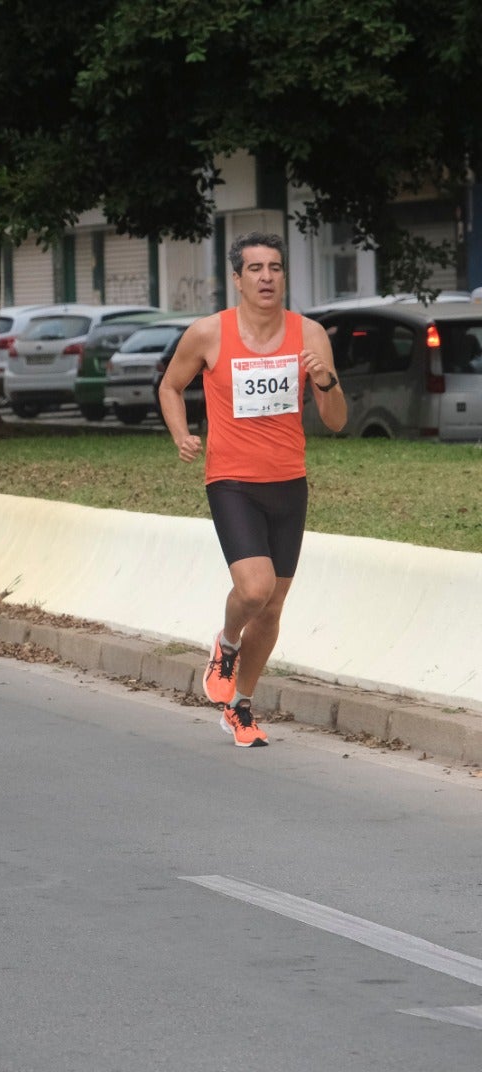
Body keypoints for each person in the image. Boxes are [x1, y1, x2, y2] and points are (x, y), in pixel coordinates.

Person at [159, 230, 348, 748]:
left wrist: (326, 381)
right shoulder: (209, 334)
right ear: (237, 280)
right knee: (255, 590)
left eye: (276, 268)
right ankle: (225, 642)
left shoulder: (309, 335)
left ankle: (239, 705)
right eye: (256, 269)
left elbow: (335, 421)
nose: (267, 277)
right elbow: (170, 386)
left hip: (289, 482)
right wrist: (182, 433)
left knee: (273, 608)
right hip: (232, 481)